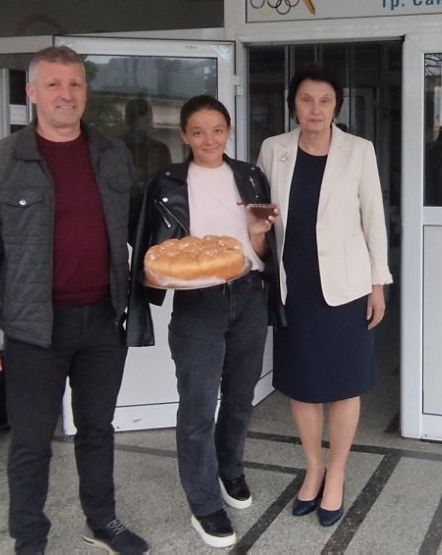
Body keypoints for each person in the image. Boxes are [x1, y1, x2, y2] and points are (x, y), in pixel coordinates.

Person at [0, 45, 151, 555]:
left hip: (103, 320)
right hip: (34, 329)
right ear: (32, 93)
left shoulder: (112, 153)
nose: (66, 94)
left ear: (86, 91)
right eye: (54, 84)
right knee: (31, 441)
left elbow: (140, 226)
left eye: (76, 84)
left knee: (98, 429)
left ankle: (102, 520)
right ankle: (29, 537)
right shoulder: (1, 161)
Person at [130, 95, 281, 548]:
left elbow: (263, 249)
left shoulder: (251, 177)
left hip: (248, 297)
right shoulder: (166, 184)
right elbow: (152, 249)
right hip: (198, 305)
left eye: (217, 130)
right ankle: (204, 503)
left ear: (229, 131)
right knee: (197, 406)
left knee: (239, 397)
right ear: (184, 135)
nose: (209, 139)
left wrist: (258, 235)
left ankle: (229, 469)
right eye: (198, 132)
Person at [256, 63, 392, 527]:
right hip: (294, 286)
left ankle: (337, 472)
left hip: (347, 286)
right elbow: (261, 214)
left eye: (325, 100)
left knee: (344, 383)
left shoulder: (359, 151)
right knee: (303, 383)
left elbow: (374, 220)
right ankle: (313, 468)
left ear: (337, 106)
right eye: (306, 100)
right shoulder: (274, 149)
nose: (315, 109)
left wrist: (377, 284)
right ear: (293, 105)